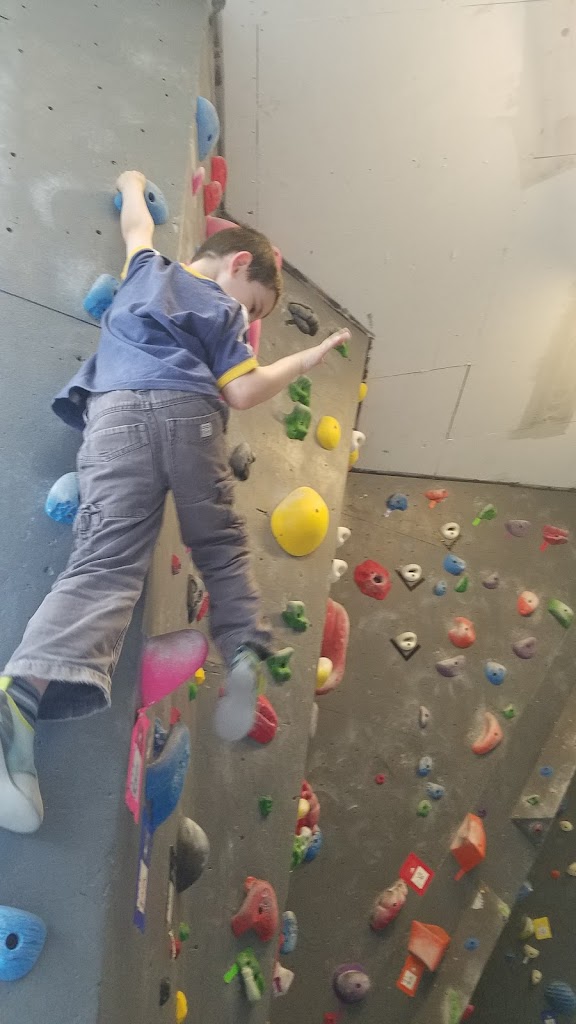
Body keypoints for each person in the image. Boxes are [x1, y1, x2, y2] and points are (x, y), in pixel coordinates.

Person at [0, 170, 350, 835]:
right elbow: (243, 391)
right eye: (255, 306)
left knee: (104, 567)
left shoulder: (145, 270)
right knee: (219, 546)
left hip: (113, 417)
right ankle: (242, 642)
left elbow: (137, 226)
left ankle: (18, 706)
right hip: (187, 419)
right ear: (239, 263)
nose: (249, 319)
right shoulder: (221, 312)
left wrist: (132, 184)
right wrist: (304, 360)